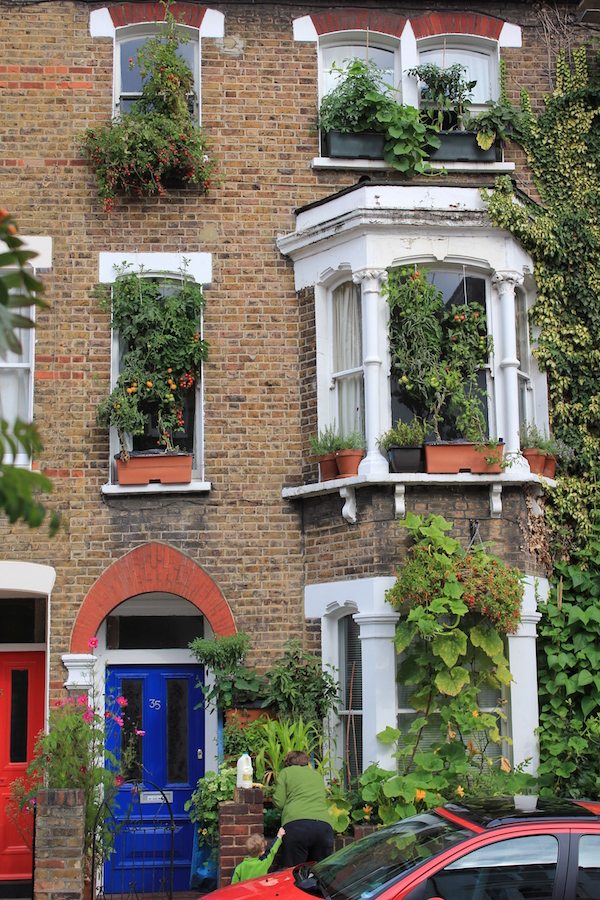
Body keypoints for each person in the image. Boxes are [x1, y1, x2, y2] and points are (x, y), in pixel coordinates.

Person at [272, 750, 334, 867]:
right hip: (324, 827)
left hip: (297, 826)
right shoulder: (316, 775)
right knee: (321, 874)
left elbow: (279, 802)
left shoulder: (286, 773)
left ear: (288, 764)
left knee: (293, 873)